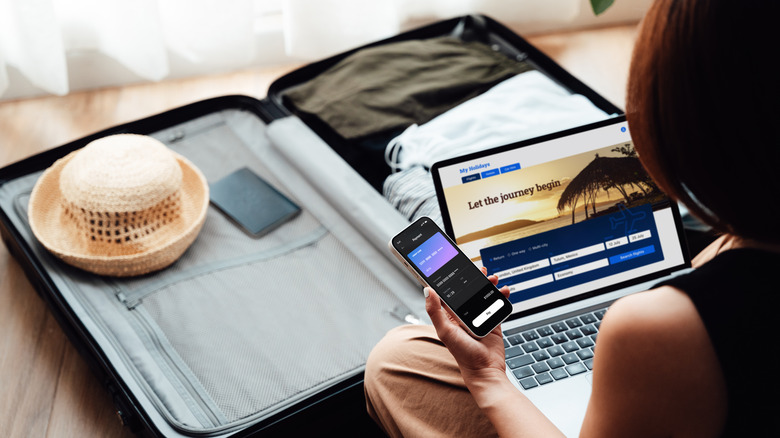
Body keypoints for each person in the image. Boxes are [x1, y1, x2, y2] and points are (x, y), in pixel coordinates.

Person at [364, 0, 780, 436]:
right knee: (404, 355)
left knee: (396, 366)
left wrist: (488, 378)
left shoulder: (658, 327)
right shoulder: (741, 241)